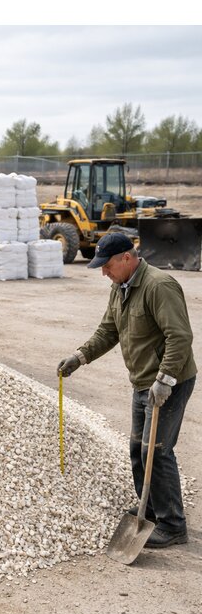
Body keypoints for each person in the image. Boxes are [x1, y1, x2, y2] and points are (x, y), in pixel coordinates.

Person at [57, 232, 196, 548]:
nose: (104, 272)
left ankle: (173, 525)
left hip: (169, 382)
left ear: (127, 258)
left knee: (156, 450)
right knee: (138, 449)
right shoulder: (119, 288)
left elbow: (179, 337)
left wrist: (165, 381)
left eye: (107, 266)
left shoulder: (159, 286)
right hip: (143, 382)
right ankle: (150, 509)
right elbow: (109, 330)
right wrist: (80, 356)